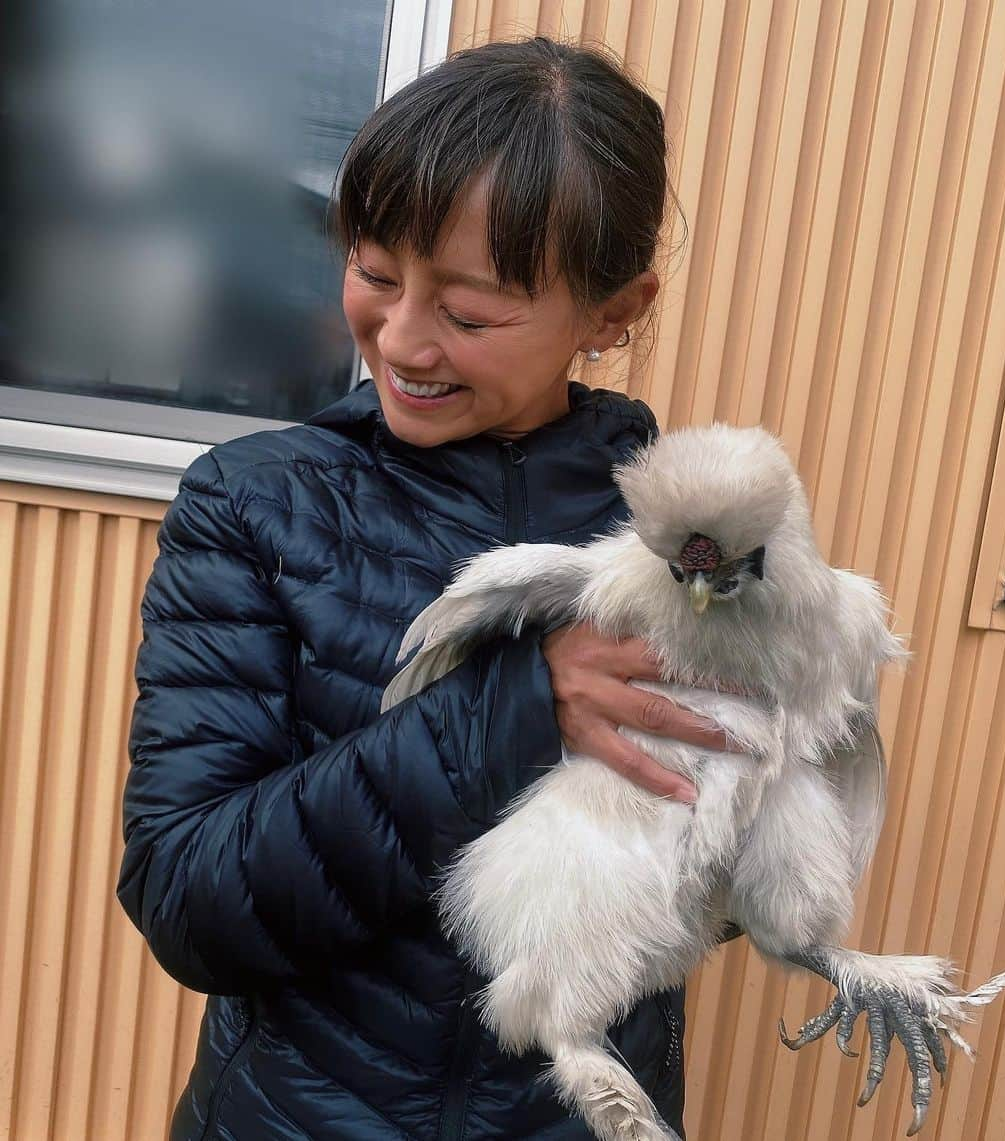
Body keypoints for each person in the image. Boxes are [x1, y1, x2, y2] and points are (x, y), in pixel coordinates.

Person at [117, 35, 745, 1140]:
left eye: (470, 311)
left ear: (613, 310)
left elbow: (721, 884)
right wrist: (512, 712)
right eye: (374, 270)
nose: (402, 339)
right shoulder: (259, 508)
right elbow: (190, 900)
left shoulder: (683, 545)